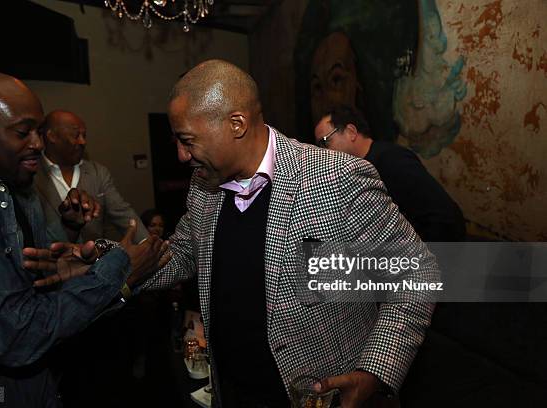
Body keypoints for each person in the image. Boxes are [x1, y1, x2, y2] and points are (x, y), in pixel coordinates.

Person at [139, 60, 439, 408]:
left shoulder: (338, 176)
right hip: (234, 392)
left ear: (236, 123)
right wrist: (110, 266)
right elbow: (182, 255)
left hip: (322, 398)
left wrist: (373, 373)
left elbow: (416, 273)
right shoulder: (203, 185)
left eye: (187, 140)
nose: (181, 155)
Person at [0, 71, 165, 407]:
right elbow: (16, 335)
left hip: (38, 385)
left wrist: (67, 257)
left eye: (39, 132)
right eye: (23, 132)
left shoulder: (16, 186)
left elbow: (34, 276)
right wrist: (119, 273)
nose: (38, 144)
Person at [314, 106, 466, 243]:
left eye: (325, 142)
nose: (322, 153)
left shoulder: (392, 160)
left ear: (351, 132)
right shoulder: (356, 170)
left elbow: (442, 216)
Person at [36, 110, 147, 243]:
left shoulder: (97, 172)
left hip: (96, 262)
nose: (83, 142)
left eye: (84, 135)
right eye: (76, 135)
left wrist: (147, 244)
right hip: (51, 261)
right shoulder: (31, 174)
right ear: (52, 136)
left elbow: (123, 213)